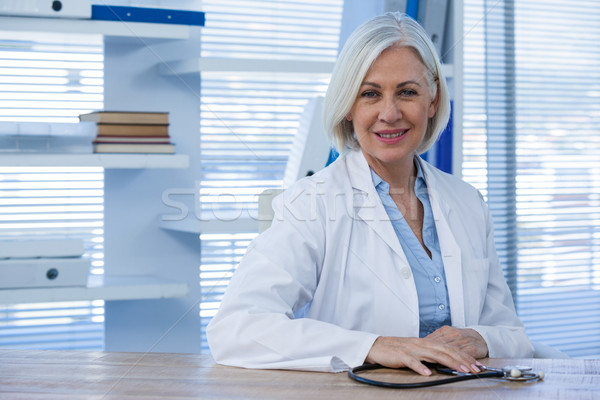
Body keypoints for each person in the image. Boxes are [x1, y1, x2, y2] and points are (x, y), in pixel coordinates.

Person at [206, 12, 534, 375]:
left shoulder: (468, 202)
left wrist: (482, 339)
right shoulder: (310, 204)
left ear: (434, 100)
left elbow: (511, 334)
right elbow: (237, 329)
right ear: (349, 106)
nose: (389, 113)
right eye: (370, 94)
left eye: (408, 92)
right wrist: (372, 346)